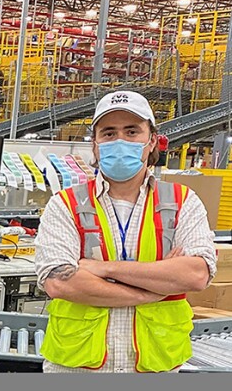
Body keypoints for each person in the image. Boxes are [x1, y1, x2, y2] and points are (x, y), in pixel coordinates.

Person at [34, 90, 216, 373]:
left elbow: (195, 274)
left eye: (132, 131)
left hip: (155, 370)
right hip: (76, 370)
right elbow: (60, 282)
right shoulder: (65, 204)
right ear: (95, 144)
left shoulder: (183, 201)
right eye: (108, 133)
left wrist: (101, 269)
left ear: (152, 140)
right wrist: (151, 291)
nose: (120, 141)